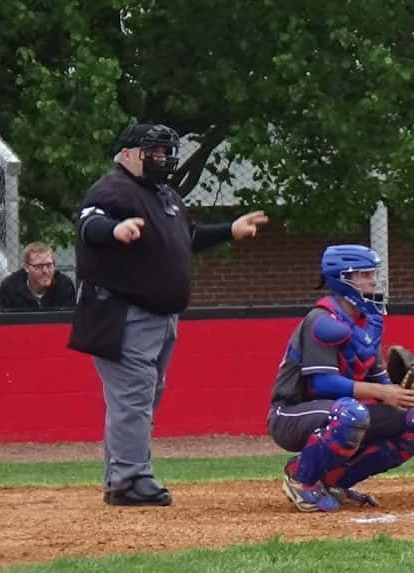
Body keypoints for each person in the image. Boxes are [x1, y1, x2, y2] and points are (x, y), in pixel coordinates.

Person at [69, 123, 268, 507]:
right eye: (154, 151)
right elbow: (88, 224)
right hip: (122, 313)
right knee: (134, 398)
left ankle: (121, 476)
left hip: (160, 317)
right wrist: (115, 229)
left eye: (165, 152)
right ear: (128, 154)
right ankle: (130, 480)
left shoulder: (164, 195)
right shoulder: (112, 188)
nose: (162, 158)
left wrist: (230, 229)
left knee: (141, 398)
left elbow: (187, 237)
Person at [268, 244, 414, 512]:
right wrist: (382, 393)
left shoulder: (368, 322)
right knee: (351, 415)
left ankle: (334, 481)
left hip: (340, 410)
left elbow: (380, 380)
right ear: (342, 278)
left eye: (373, 274)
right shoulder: (322, 321)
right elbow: (322, 383)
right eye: (364, 275)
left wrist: (402, 394)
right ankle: (301, 477)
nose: (373, 281)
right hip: (290, 414)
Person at [0, 242, 75, 311]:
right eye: (39, 266)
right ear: (26, 267)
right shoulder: (10, 287)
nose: (45, 271)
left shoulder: (64, 285)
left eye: (49, 265)